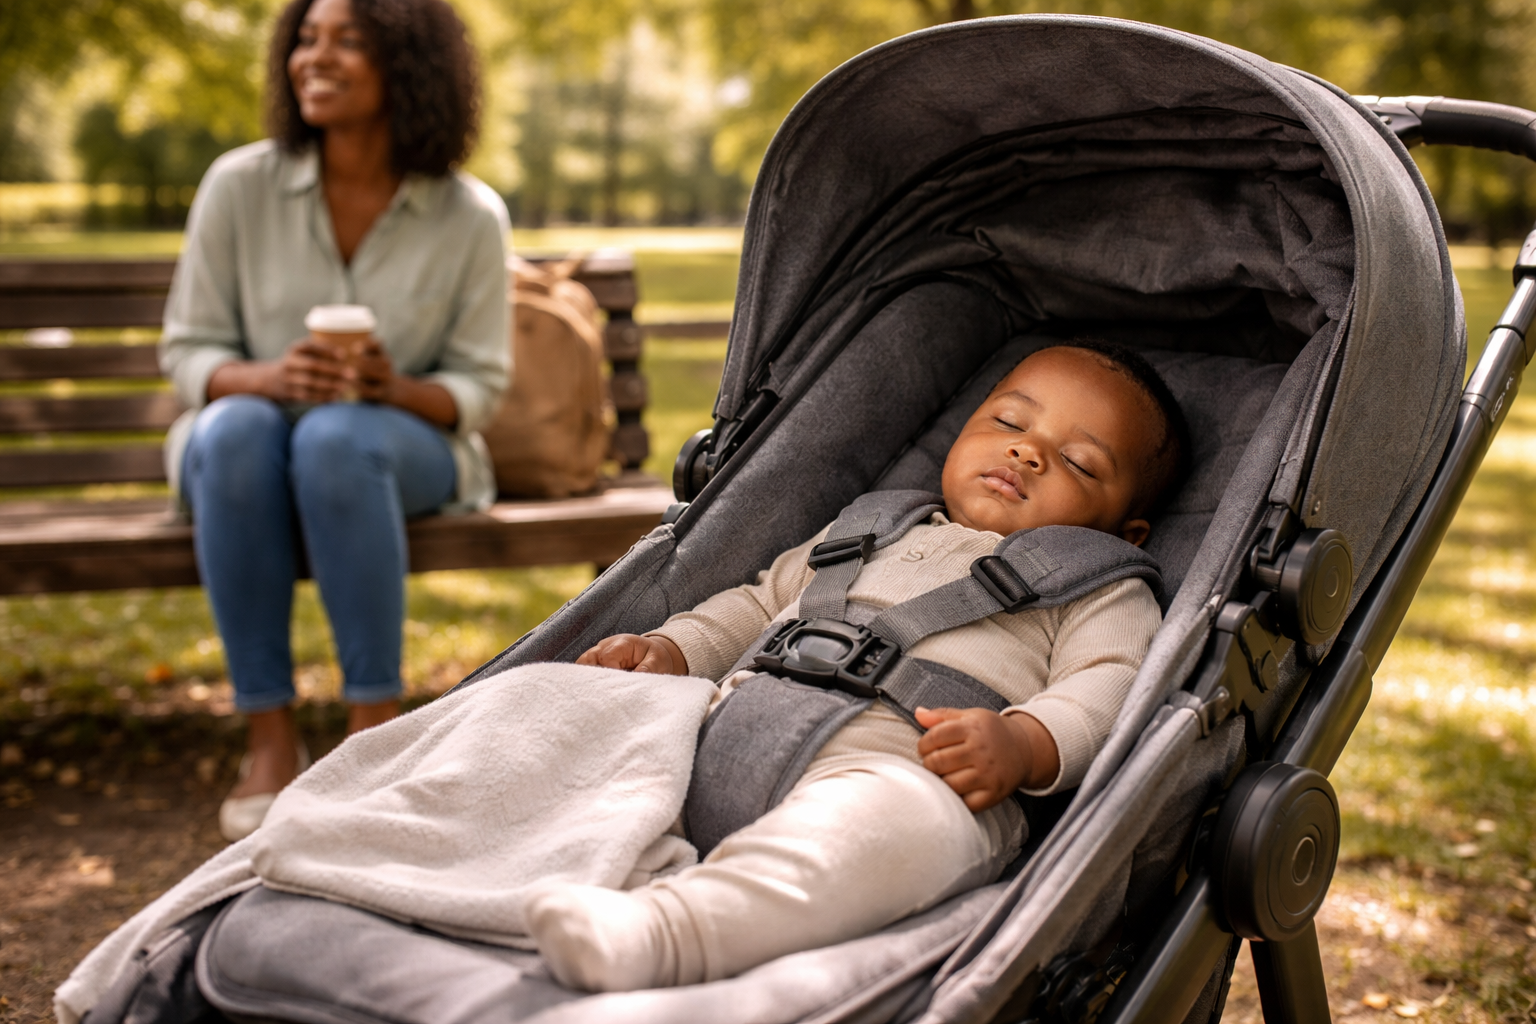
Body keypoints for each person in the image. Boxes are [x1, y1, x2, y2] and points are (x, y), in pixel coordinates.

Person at [526, 341, 1189, 991]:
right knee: (564, 703)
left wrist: (1025, 742)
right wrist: (676, 650)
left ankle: (670, 934)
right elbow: (758, 604)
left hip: (905, 773)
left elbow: (1109, 685)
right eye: (1009, 422)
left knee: (889, 831)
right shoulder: (870, 529)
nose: (1028, 451)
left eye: (1077, 462)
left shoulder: (1100, 585)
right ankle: (484, 837)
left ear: (1124, 532)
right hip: (720, 731)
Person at [158, 0, 510, 842]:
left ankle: (371, 735)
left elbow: (478, 389)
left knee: (335, 438)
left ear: (408, 66)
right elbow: (188, 352)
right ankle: (270, 738)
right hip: (243, 450)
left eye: (349, 40)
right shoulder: (238, 188)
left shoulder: (468, 216)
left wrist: (390, 386)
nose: (317, 57)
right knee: (241, 429)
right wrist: (269, 376)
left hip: (400, 445)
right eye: (306, 39)